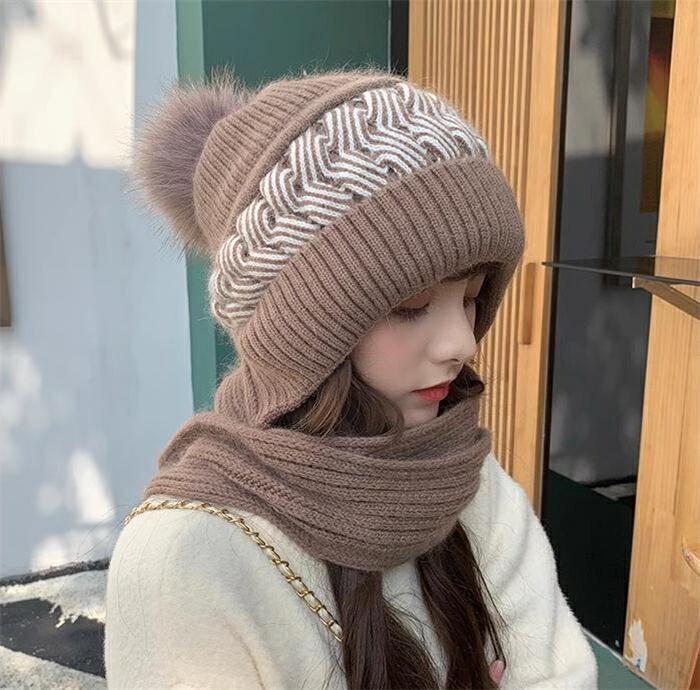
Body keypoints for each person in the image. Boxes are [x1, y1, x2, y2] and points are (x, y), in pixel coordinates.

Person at [104, 64, 598, 689]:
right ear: (305, 329)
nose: (463, 343)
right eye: (412, 304)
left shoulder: (468, 480)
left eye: (473, 296)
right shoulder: (184, 557)